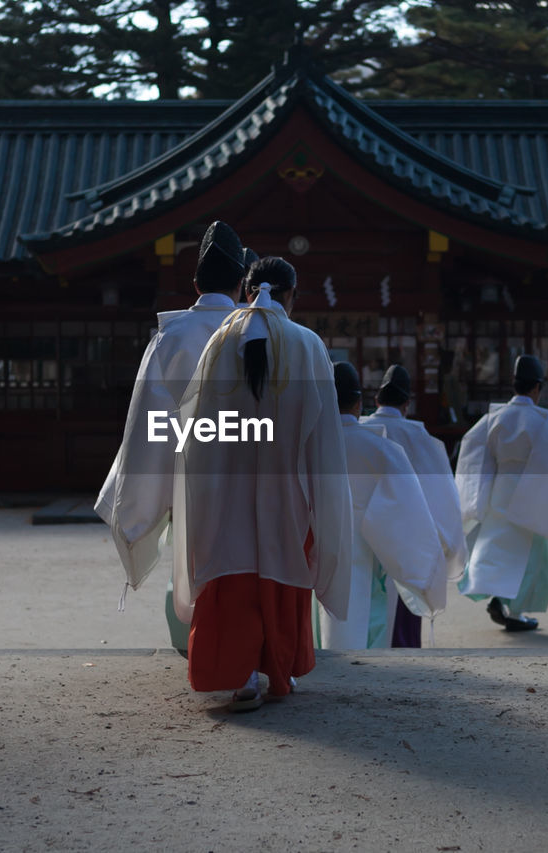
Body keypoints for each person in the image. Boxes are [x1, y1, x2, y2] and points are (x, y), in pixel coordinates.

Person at [173, 256, 352, 710]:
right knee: (279, 569)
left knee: (232, 571)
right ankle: (277, 671)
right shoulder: (308, 344)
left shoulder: (219, 342)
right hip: (285, 491)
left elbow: (199, 429)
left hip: (227, 490)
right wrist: (320, 496)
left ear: (245, 289)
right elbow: (324, 437)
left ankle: (242, 676)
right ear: (291, 294)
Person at [95, 221, 254, 654]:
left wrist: (146, 500)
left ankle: (199, 649)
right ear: (243, 283)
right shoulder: (258, 333)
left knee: (190, 569)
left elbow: (149, 426)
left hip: (192, 479)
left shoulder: (172, 337)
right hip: (254, 479)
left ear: (196, 282)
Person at [455, 355, 548, 632]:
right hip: (530, 493)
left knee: (497, 547)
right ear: (537, 388)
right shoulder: (542, 422)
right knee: (531, 557)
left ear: (515, 385)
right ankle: (514, 611)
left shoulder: (494, 418)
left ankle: (500, 599)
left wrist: (477, 495)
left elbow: (474, 452)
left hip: (501, 489)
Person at [319, 361, 442, 650]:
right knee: (371, 619)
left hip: (321, 548)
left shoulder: (310, 447)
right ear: (360, 402)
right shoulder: (382, 448)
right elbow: (407, 510)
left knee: (326, 623)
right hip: (371, 548)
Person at [361, 364, 467, 647]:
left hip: (360, 538)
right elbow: (444, 499)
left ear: (376, 400)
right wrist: (449, 547)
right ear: (407, 404)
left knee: (363, 604)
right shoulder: (423, 440)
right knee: (404, 602)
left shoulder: (359, 431)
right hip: (407, 538)